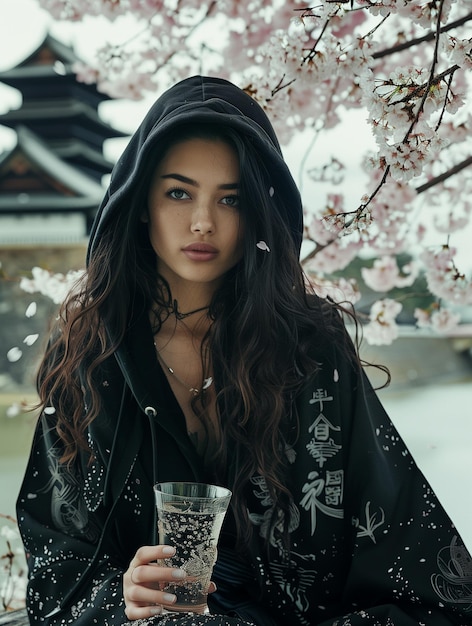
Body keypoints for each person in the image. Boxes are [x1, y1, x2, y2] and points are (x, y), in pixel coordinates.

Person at [16, 75, 472, 626]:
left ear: (257, 211)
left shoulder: (310, 347)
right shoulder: (92, 354)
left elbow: (408, 549)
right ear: (140, 203)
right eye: (178, 192)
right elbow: (55, 563)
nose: (203, 221)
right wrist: (121, 598)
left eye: (230, 199)